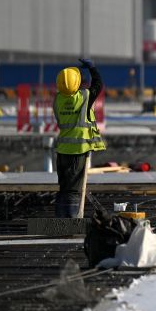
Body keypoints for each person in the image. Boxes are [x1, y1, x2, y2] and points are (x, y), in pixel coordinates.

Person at [52, 58, 105, 218]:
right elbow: (98, 85)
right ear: (77, 83)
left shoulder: (58, 99)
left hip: (62, 150)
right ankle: (72, 222)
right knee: (74, 189)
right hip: (78, 150)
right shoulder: (83, 97)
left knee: (64, 188)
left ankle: (61, 221)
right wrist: (92, 68)